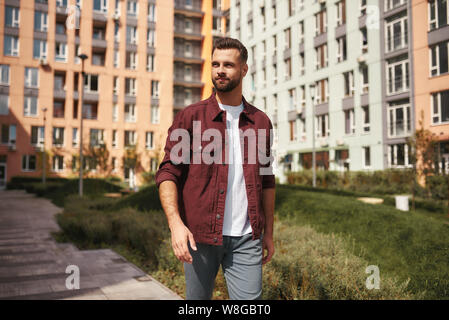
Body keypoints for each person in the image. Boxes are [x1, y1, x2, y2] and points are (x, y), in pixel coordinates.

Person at [155, 37, 276, 300]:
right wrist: (175, 224)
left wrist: (269, 233)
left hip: (247, 238)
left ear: (244, 69)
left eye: (228, 65)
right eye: (215, 64)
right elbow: (167, 173)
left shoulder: (261, 122)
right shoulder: (190, 117)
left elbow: (267, 180)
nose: (220, 70)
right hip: (199, 237)